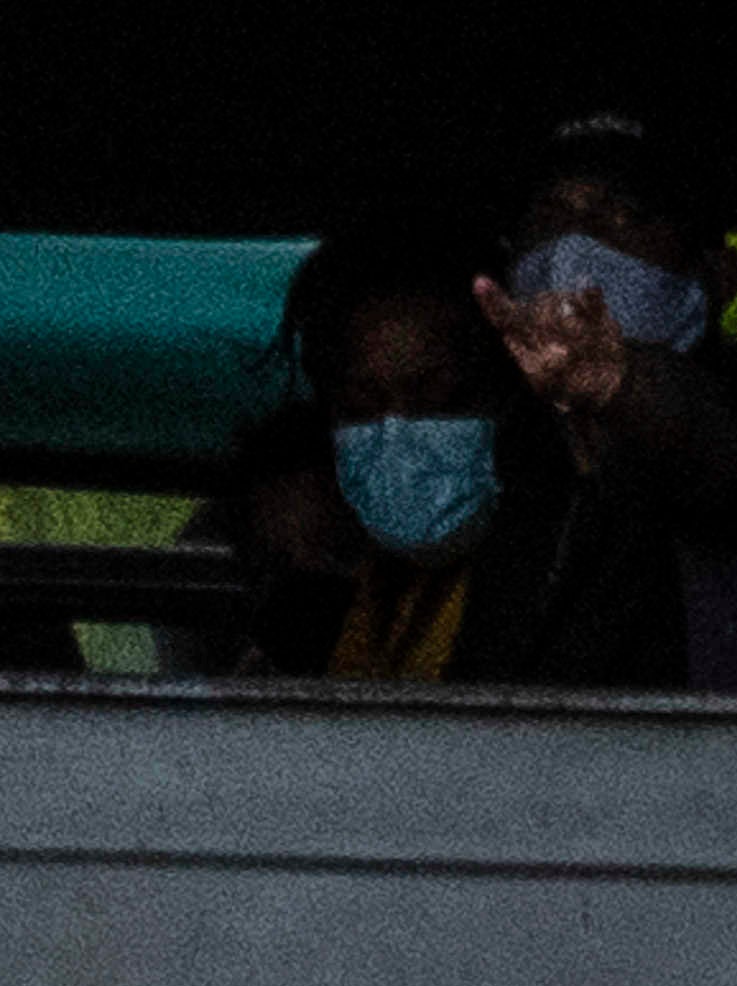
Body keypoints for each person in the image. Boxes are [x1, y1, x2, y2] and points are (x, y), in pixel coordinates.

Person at [463, 112, 737, 694]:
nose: (573, 248)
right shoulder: (519, 435)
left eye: (624, 217)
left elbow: (707, 437)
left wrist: (618, 382)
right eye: (549, 219)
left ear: (717, 277)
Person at [222, 227, 561, 679]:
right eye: (363, 406)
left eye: (438, 399)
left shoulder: (563, 564)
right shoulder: (359, 606)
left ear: (505, 391)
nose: (398, 432)